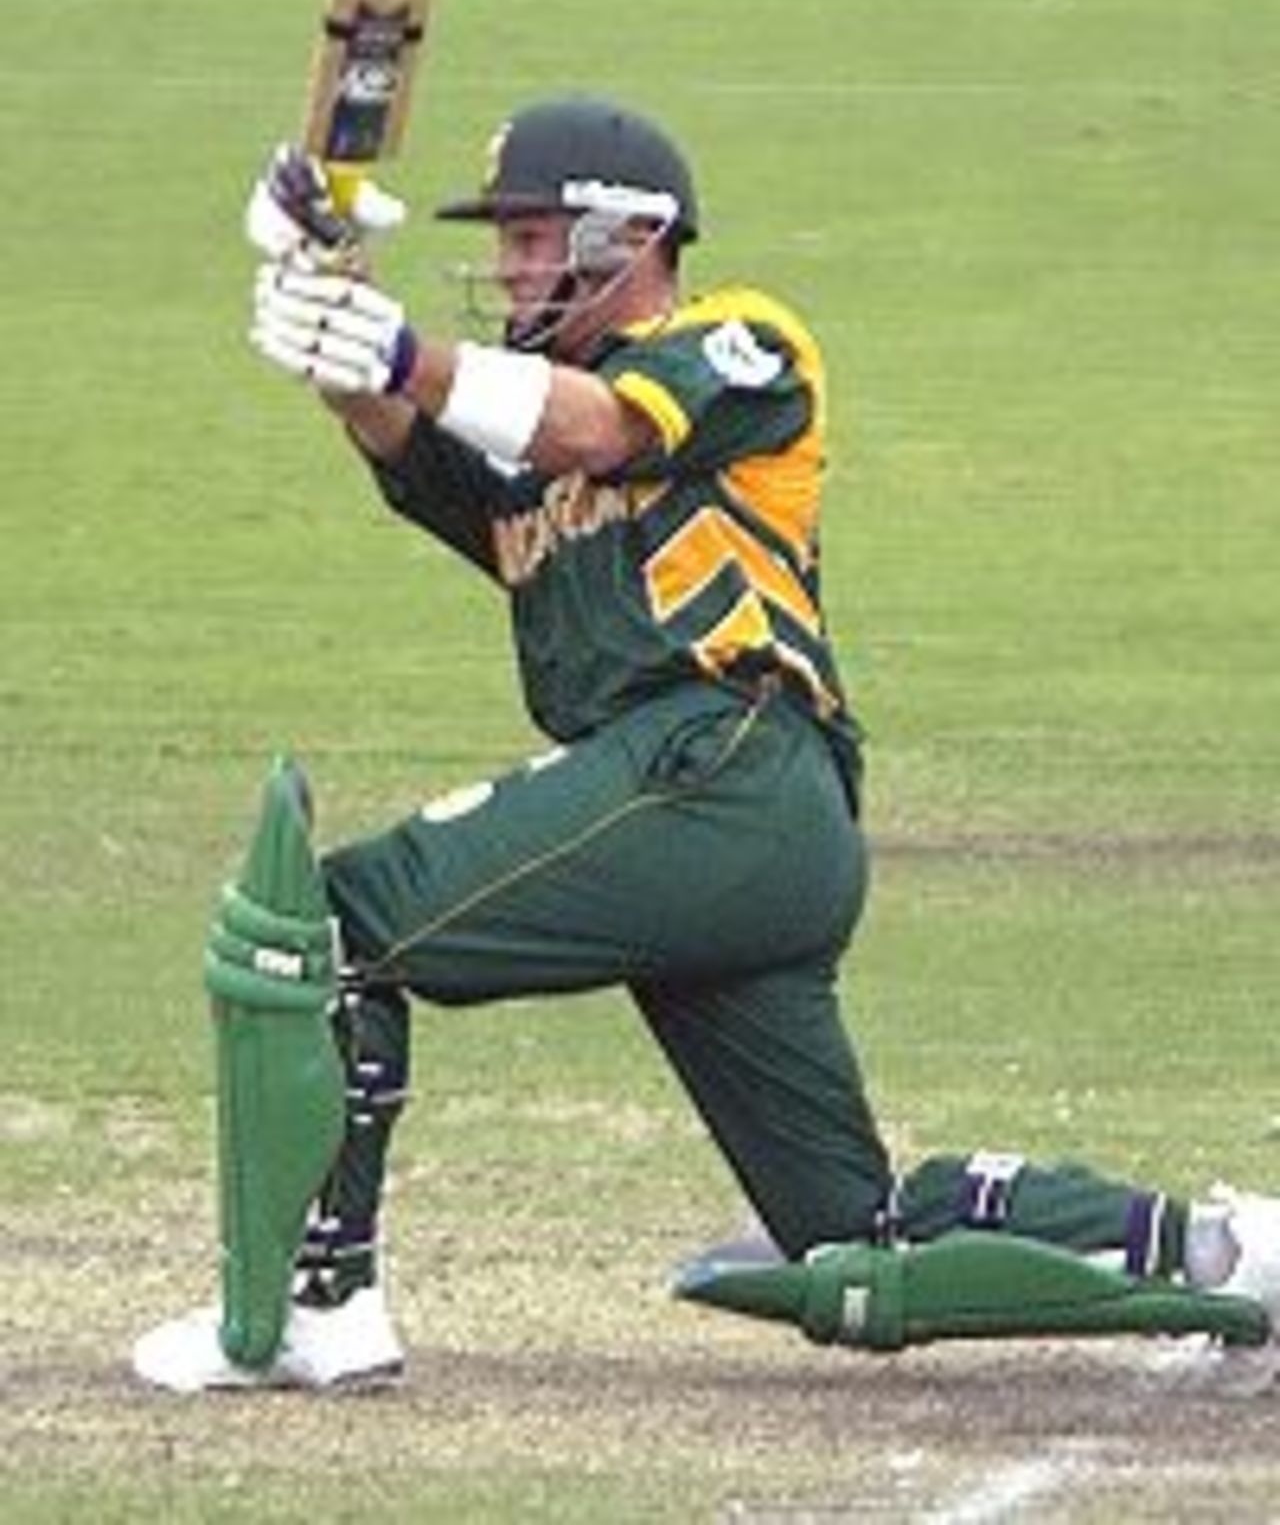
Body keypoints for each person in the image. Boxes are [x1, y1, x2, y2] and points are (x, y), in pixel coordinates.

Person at [133, 97, 1280, 1393]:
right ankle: (1221, 1248)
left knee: (337, 921)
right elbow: (408, 426)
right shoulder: (525, 458)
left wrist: (398, 346)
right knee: (859, 1236)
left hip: (724, 765)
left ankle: (313, 1305)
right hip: (728, 830)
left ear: (630, 236)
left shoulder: (738, 344)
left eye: (531, 236)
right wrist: (313, 284)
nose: (510, 265)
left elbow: (599, 428)